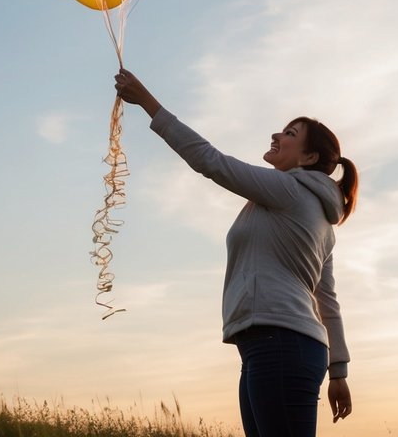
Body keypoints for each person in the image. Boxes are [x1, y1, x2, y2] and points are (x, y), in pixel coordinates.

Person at [113, 68, 358, 436]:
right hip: (271, 345)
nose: (277, 134)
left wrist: (147, 102)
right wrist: (338, 370)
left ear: (308, 158)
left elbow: (211, 161)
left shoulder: (289, 192)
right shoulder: (311, 212)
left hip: (281, 343)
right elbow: (328, 302)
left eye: (289, 134)